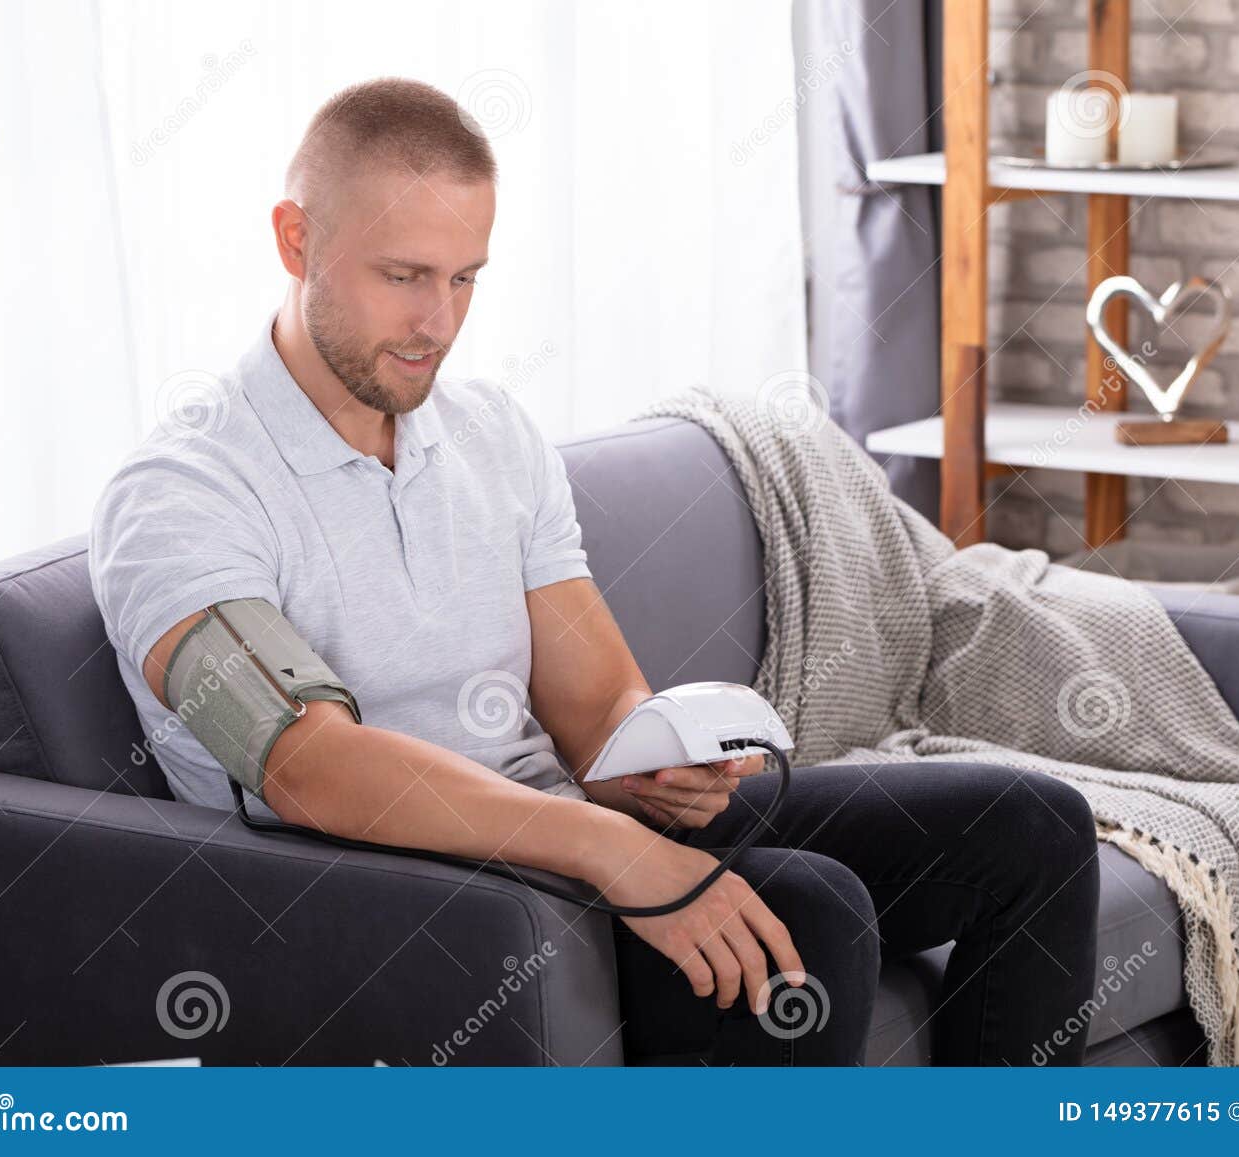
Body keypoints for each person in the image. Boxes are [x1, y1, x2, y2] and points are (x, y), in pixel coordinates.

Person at [89, 77, 1101, 1066]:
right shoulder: (181, 492)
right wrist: (610, 850)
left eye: (465, 278)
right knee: (810, 916)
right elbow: (307, 763)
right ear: (294, 240)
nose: (438, 322)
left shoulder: (490, 432)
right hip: (407, 891)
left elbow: (595, 705)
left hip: (566, 831)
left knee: (1030, 827)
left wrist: (656, 766)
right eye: (403, 275)